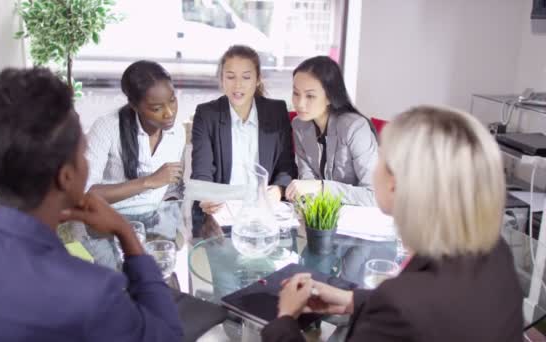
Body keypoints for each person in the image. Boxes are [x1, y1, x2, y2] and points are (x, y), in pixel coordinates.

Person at [0, 68, 183, 341]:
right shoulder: (91, 292)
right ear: (67, 176)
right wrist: (128, 238)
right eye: (82, 152)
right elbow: (169, 336)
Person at [263, 106, 524, 342]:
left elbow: (408, 312)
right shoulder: (497, 252)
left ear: (396, 183)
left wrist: (284, 319)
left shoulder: (400, 305)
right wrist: (353, 300)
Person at [191, 45, 296, 220]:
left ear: (257, 80)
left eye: (246, 77)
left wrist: (278, 190)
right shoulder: (207, 114)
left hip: (264, 209)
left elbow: (286, 167)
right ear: (222, 79)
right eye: (230, 77)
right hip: (223, 212)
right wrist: (206, 196)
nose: (238, 85)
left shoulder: (276, 111)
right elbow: (202, 170)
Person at [85, 60, 185, 215]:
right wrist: (148, 181)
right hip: (108, 221)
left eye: (172, 100)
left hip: (156, 221)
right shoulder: (107, 127)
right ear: (134, 105)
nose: (169, 113)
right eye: (156, 108)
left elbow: (171, 188)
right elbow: (87, 194)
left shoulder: (177, 132)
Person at [285, 56, 377, 206]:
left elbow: (375, 196)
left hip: (357, 218)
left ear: (330, 97)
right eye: (296, 93)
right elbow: (306, 178)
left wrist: (320, 187)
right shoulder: (299, 125)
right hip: (319, 216)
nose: (300, 103)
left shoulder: (355, 128)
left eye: (310, 96)